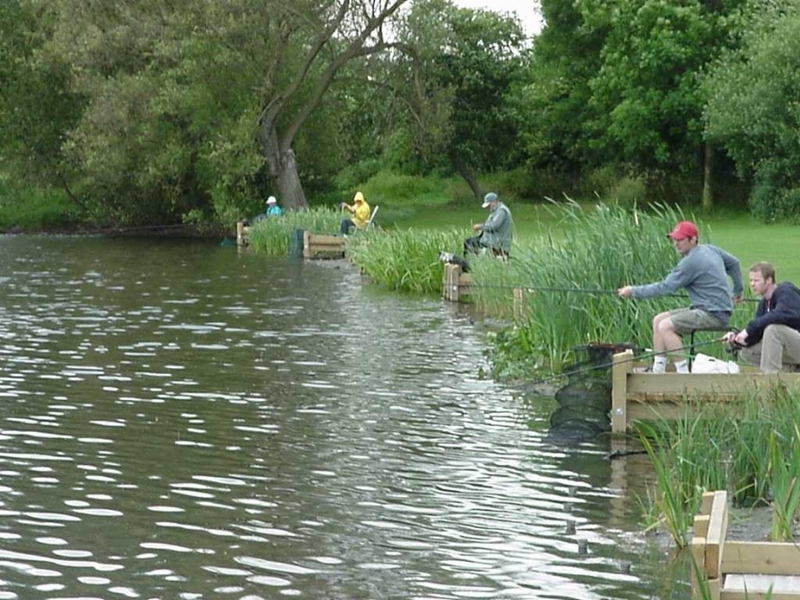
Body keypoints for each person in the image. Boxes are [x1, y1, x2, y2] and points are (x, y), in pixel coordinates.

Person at [617, 220, 743, 374]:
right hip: (709, 309)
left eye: (680, 240)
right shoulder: (710, 250)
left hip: (712, 313)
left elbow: (666, 287)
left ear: (693, 239)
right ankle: (658, 370)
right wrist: (738, 291)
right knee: (658, 320)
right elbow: (734, 263)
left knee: (665, 326)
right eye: (674, 240)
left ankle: (683, 374)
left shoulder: (690, 262)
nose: (676, 244)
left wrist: (634, 291)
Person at [722, 262, 800, 373]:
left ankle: (769, 381)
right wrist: (737, 338)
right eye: (751, 280)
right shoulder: (763, 304)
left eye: (756, 280)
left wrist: (749, 329)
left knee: (773, 330)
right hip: (790, 349)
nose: (752, 284)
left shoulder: (786, 291)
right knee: (747, 351)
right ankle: (790, 371)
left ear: (768, 280)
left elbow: (781, 314)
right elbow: (757, 334)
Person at [463, 192, 513, 258]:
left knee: (469, 243)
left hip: (498, 242)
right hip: (492, 240)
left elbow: (494, 226)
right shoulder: (496, 210)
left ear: (494, 201)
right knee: (468, 242)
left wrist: (480, 227)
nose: (488, 207)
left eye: (489, 205)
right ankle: (472, 261)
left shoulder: (501, 211)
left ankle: (473, 262)